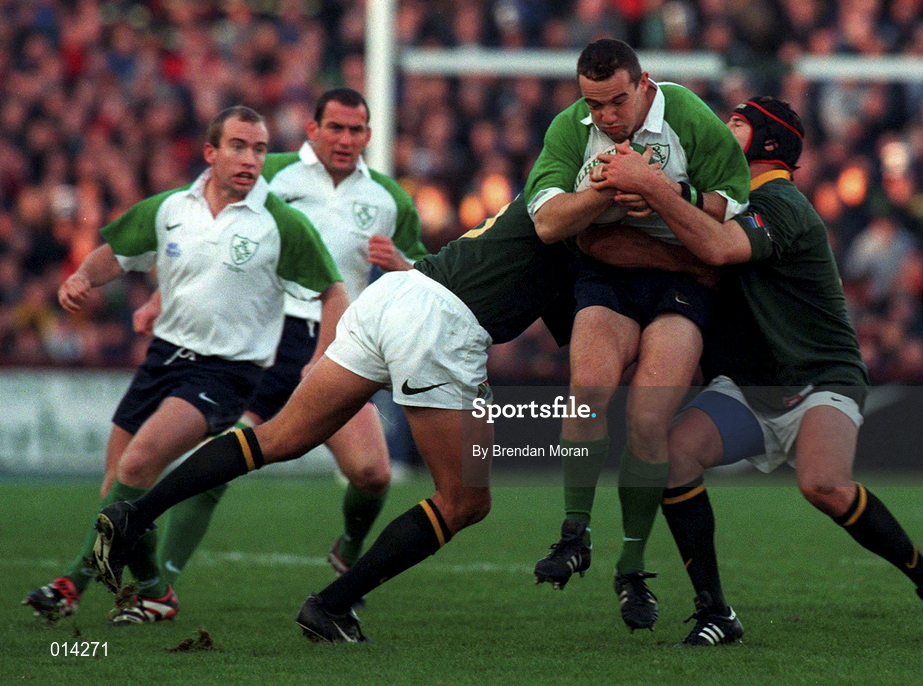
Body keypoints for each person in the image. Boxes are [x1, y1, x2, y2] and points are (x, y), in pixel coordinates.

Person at [581, 96, 923, 646]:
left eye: (737, 124)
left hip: (819, 375)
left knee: (823, 483)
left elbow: (719, 251)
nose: (722, 130)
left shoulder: (782, 201)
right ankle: (715, 612)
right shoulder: (725, 200)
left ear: (769, 142)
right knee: (674, 456)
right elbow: (666, 247)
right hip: (751, 387)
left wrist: (652, 188)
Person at [89, 195, 579, 643]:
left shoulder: (554, 192)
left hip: (395, 296)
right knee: (465, 502)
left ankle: (135, 514)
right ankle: (332, 604)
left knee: (277, 438)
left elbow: (571, 319)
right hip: (441, 325)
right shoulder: (589, 214)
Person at [22, 106, 345, 625]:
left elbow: (334, 291)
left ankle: (70, 585)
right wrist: (82, 276)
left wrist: (321, 358)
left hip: (226, 373)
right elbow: (118, 253)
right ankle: (155, 592)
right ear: (211, 153)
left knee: (136, 467)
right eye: (239, 146)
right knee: (115, 492)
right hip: (163, 360)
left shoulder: (278, 223)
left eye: (260, 149)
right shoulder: (172, 208)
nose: (251, 158)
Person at [133, 88, 428, 592]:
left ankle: (351, 545)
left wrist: (403, 265)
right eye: (334, 127)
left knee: (373, 475)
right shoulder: (271, 173)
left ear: (369, 136)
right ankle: (159, 586)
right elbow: (207, 231)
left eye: (355, 130)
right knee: (220, 465)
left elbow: (425, 274)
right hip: (268, 338)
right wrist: (163, 296)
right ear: (313, 129)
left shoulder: (389, 199)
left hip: (341, 344)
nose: (344, 139)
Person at [524, 38, 749, 631]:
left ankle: (632, 566)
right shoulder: (572, 128)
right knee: (588, 387)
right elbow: (546, 221)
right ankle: (575, 533)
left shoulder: (688, 116)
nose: (604, 117)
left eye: (616, 102)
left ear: (644, 83)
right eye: (594, 105)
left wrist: (659, 190)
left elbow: (729, 204)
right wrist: (602, 189)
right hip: (608, 274)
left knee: (649, 419)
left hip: (681, 281)